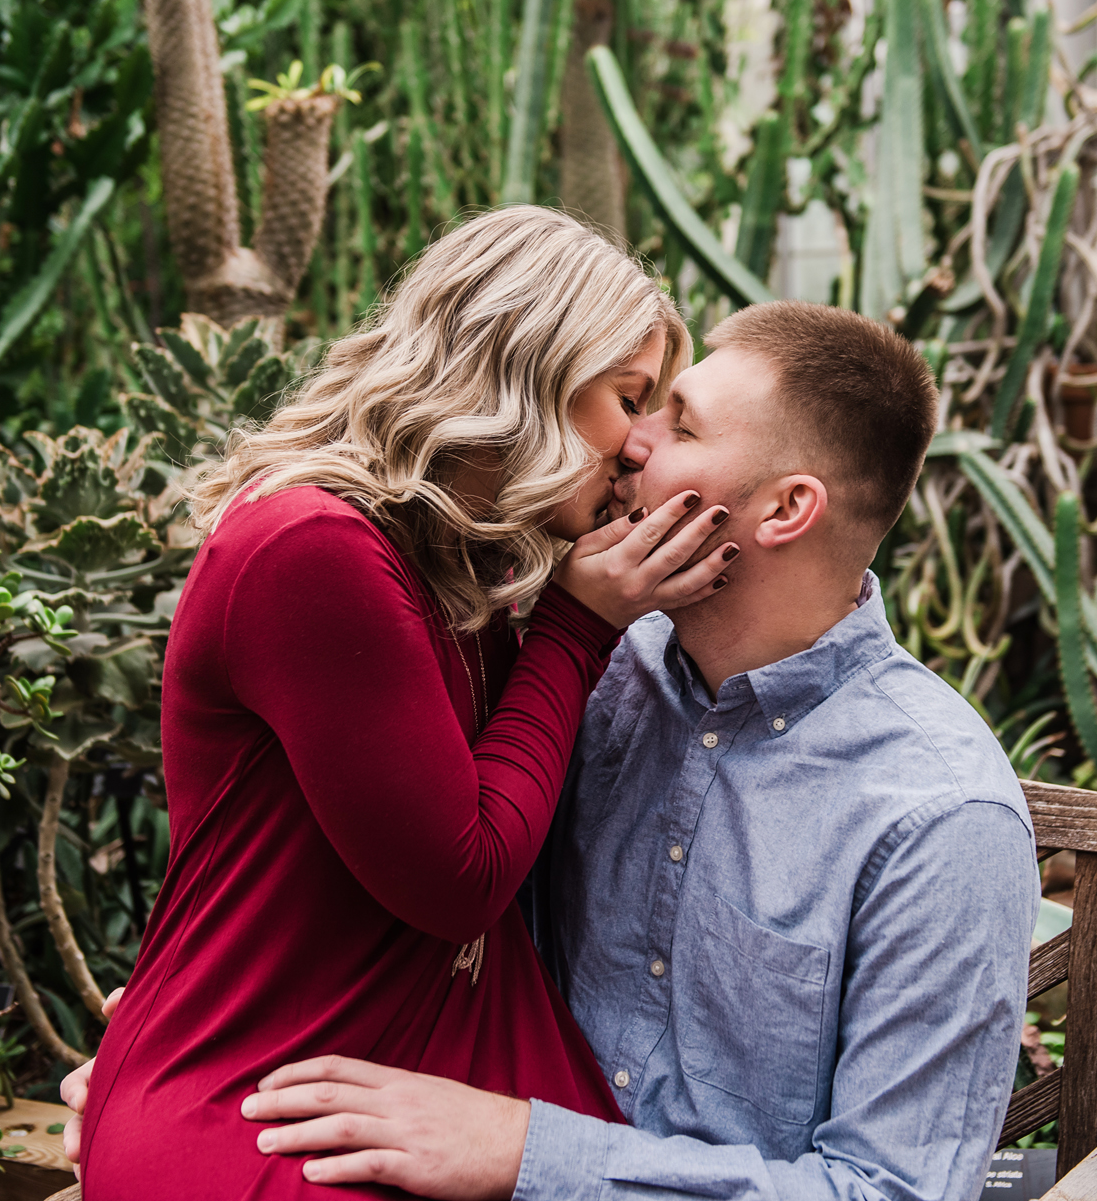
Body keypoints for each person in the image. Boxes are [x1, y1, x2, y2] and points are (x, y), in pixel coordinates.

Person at [219, 302, 1042, 1201]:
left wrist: (527, 1151)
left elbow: (892, 1189)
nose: (631, 441)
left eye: (679, 423)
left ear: (787, 508)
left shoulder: (941, 816)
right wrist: (216, 1058)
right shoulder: (594, 669)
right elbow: (417, 896)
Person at [68, 206, 742, 1201]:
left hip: (403, 1073)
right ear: (525, 368)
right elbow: (460, 874)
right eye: (627, 396)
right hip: (270, 1099)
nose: (640, 444)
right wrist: (574, 624)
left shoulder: (448, 560)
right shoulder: (312, 549)